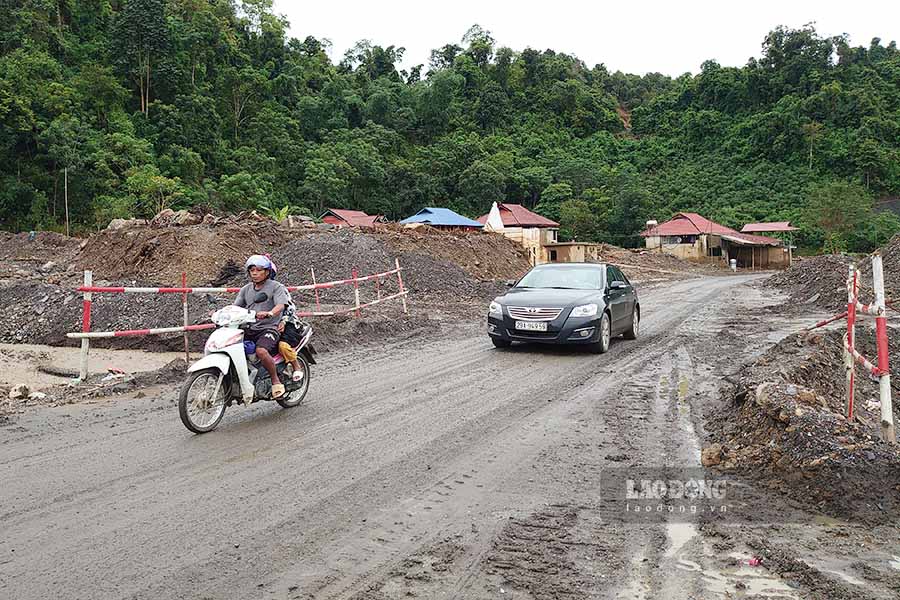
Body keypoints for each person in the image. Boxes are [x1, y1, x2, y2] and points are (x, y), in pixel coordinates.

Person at [234, 254, 290, 399]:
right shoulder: (246, 289)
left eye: (259, 270)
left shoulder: (276, 287)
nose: (255, 273)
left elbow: (281, 304)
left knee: (261, 350)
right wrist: (221, 312)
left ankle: (275, 381)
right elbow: (236, 307)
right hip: (250, 327)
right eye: (252, 270)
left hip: (269, 327)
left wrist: (271, 313)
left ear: (266, 272)